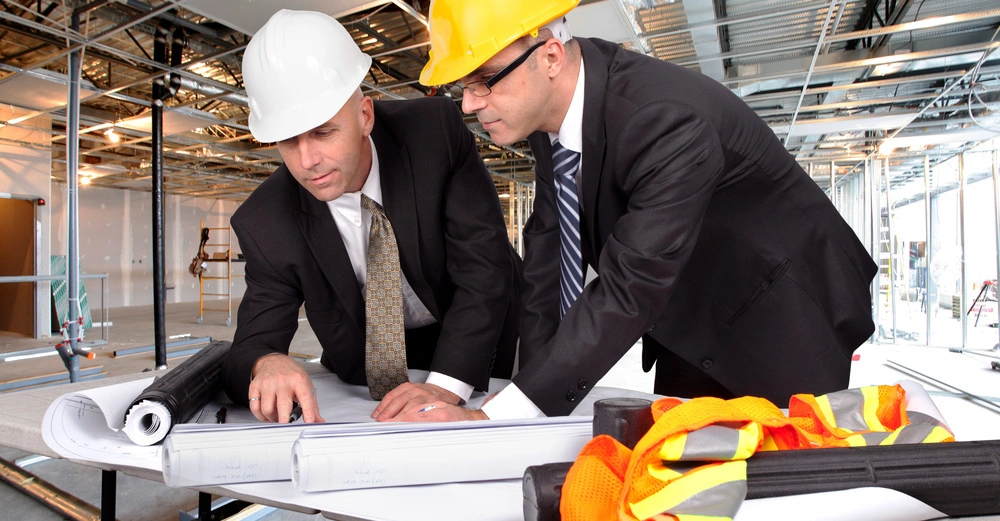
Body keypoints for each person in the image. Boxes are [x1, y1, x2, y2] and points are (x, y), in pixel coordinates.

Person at [393, 0, 877, 422]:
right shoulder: (545, 119)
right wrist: (527, 400)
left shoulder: (663, 117)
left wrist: (499, 413)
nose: (470, 105)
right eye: (463, 86)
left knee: (785, 471)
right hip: (687, 313)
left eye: (484, 81)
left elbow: (631, 281)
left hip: (782, 313)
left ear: (551, 57)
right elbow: (549, 260)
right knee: (683, 464)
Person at [222, 9, 520, 424]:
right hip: (368, 368)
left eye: (323, 132)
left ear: (365, 115)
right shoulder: (265, 222)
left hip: (477, 340)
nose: (307, 161)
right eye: (288, 141)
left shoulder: (433, 136)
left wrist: (445, 385)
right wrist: (266, 362)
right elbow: (250, 345)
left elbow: (484, 268)